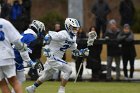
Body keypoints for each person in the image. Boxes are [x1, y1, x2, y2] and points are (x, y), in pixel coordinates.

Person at [26, 18, 91, 93]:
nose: (75, 30)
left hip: (56, 58)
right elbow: (48, 36)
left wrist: (82, 52)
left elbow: (74, 51)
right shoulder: (63, 34)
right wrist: (46, 48)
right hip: (52, 57)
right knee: (68, 70)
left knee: (47, 76)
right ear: (68, 26)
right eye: (73, 28)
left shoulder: (73, 37)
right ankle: (61, 90)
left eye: (76, 28)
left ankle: (31, 88)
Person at [0, 18, 38, 93]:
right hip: (6, 55)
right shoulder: (5, 22)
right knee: (15, 81)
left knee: (3, 84)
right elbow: (17, 40)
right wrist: (22, 48)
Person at [11, 20, 45, 93]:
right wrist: (31, 63)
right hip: (15, 58)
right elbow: (23, 52)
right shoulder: (31, 37)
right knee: (9, 80)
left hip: (15, 58)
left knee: (21, 78)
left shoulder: (27, 34)